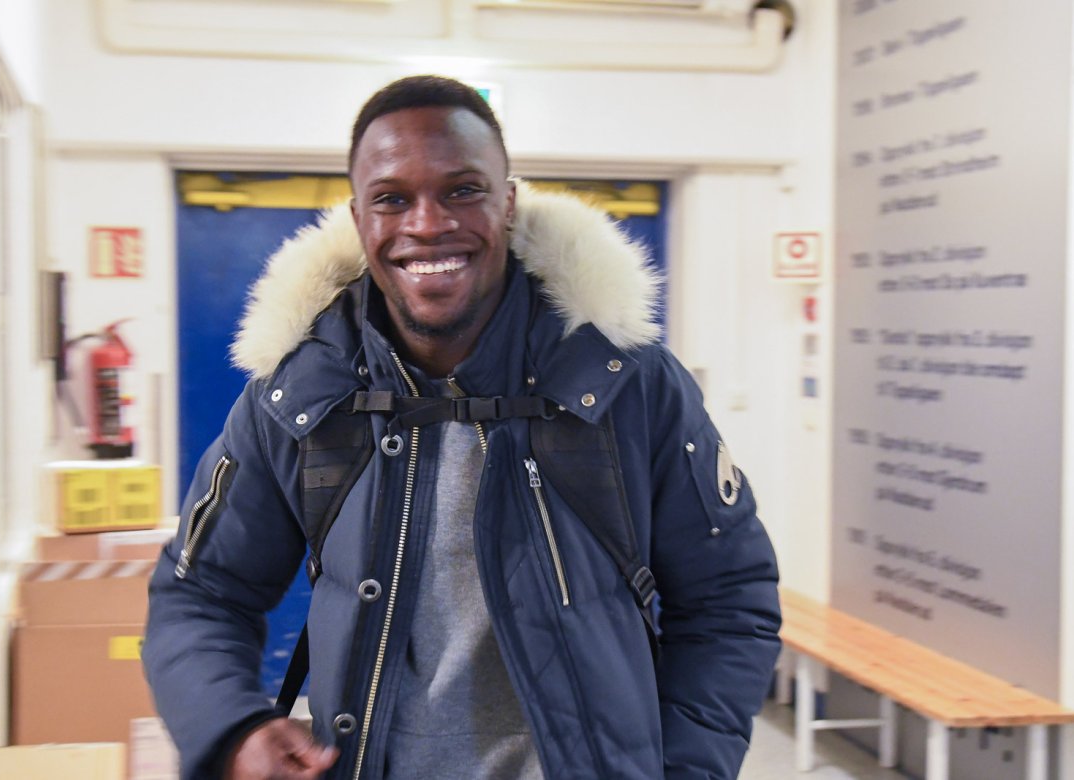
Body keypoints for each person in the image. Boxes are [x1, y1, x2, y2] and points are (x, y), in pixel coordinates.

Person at [143, 75, 781, 780]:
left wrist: (688, 768)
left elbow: (729, 599)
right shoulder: (299, 398)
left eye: (462, 190)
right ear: (358, 218)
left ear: (507, 203)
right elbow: (200, 593)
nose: (426, 224)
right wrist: (233, 727)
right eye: (392, 199)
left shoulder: (625, 385)